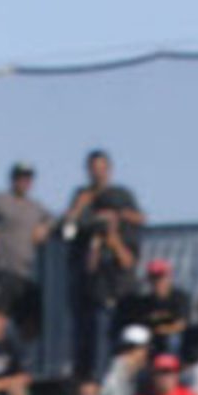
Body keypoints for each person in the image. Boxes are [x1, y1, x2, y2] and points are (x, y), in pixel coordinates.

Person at [60, 149, 144, 379]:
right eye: (94, 169)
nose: (98, 173)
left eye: (102, 169)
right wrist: (80, 208)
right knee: (88, 342)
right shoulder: (81, 196)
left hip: (118, 287)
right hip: (89, 287)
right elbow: (67, 229)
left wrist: (115, 225)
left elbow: (139, 221)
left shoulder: (121, 195)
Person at [0, 160, 53, 338]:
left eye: (27, 179)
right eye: (20, 178)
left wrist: (45, 228)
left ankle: (20, 353)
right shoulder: (0, 200)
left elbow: (54, 220)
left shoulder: (35, 207)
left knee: (30, 321)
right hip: (1, 268)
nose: (24, 182)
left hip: (25, 273)